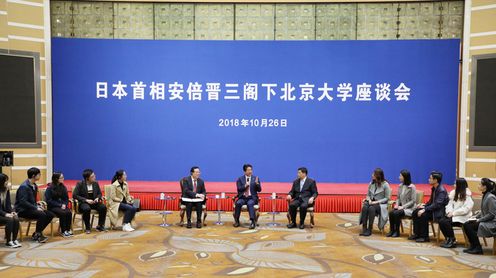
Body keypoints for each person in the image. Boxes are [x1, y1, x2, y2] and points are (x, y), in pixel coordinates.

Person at [15, 167, 54, 243]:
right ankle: (38, 235)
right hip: (22, 210)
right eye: (39, 174)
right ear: (33, 176)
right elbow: (23, 202)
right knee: (42, 214)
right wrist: (35, 208)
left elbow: (32, 200)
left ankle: (37, 233)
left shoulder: (34, 185)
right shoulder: (24, 187)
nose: (40, 176)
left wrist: (38, 205)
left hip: (30, 208)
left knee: (50, 214)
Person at [409, 171, 449, 243]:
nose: (428, 179)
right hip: (433, 210)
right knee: (415, 212)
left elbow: (437, 204)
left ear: (435, 180)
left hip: (437, 212)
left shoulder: (441, 190)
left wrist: (425, 209)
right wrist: (423, 205)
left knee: (423, 215)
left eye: (430, 178)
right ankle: (417, 234)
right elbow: (431, 202)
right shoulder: (434, 188)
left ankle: (424, 237)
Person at [463, 178, 496, 255]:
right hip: (487, 220)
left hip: (492, 223)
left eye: (480, 184)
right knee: (466, 224)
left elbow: (492, 214)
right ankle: (474, 246)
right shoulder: (485, 195)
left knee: (469, 226)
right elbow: (484, 210)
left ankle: (477, 248)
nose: (478, 186)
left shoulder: (490, 197)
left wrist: (479, 220)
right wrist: (475, 216)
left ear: (485, 187)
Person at [438, 178, 473, 248]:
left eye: (455, 184)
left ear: (460, 185)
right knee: (441, 221)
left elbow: (465, 209)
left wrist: (454, 213)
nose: (453, 185)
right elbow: (449, 204)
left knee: (446, 222)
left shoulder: (467, 195)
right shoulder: (454, 193)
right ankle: (449, 239)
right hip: (453, 215)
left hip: (463, 216)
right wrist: (449, 211)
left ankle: (452, 240)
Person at [73, 169, 107, 233]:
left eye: (94, 175)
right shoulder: (80, 184)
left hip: (94, 202)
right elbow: (75, 195)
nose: (95, 177)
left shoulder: (95, 183)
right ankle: (88, 227)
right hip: (84, 203)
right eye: (92, 176)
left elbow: (99, 193)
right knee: (87, 209)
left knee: (103, 207)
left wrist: (97, 198)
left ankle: (100, 225)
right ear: (87, 178)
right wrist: (86, 200)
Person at [359, 168, 391, 236]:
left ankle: (369, 229)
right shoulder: (371, 183)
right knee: (365, 207)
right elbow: (368, 195)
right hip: (371, 202)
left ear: (378, 175)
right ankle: (364, 228)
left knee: (371, 208)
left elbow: (387, 198)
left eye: (374, 174)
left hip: (381, 205)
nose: (372, 175)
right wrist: (369, 199)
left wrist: (376, 202)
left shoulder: (385, 184)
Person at [387, 170, 416, 238]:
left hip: (410, 208)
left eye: (400, 176)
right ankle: (392, 230)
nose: (399, 177)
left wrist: (403, 207)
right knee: (391, 212)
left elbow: (413, 201)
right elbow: (398, 198)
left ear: (405, 177)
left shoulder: (412, 187)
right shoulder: (400, 186)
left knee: (396, 213)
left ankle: (397, 231)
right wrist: (397, 205)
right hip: (401, 207)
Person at [45, 172, 73, 237]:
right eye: (61, 177)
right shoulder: (50, 188)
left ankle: (68, 229)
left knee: (69, 212)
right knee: (62, 213)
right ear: (56, 179)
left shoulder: (63, 187)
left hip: (62, 205)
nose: (63, 179)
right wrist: (60, 205)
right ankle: (63, 231)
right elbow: (49, 200)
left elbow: (66, 198)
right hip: (53, 206)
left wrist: (65, 204)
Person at [234, 164, 262, 229]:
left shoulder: (255, 178)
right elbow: (239, 189)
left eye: (251, 170)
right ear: (245, 171)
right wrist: (245, 186)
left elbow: (259, 190)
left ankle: (252, 222)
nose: (250, 171)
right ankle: (237, 220)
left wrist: (257, 184)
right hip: (243, 198)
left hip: (251, 198)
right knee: (238, 203)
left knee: (250, 203)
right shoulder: (240, 179)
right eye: (248, 170)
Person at [0, 173, 21, 248]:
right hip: (1, 214)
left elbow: (8, 204)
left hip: (3, 213)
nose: (7, 182)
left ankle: (14, 239)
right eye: (5, 181)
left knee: (15, 218)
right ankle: (8, 241)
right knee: (10, 220)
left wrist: (12, 211)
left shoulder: (6, 190)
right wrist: (5, 214)